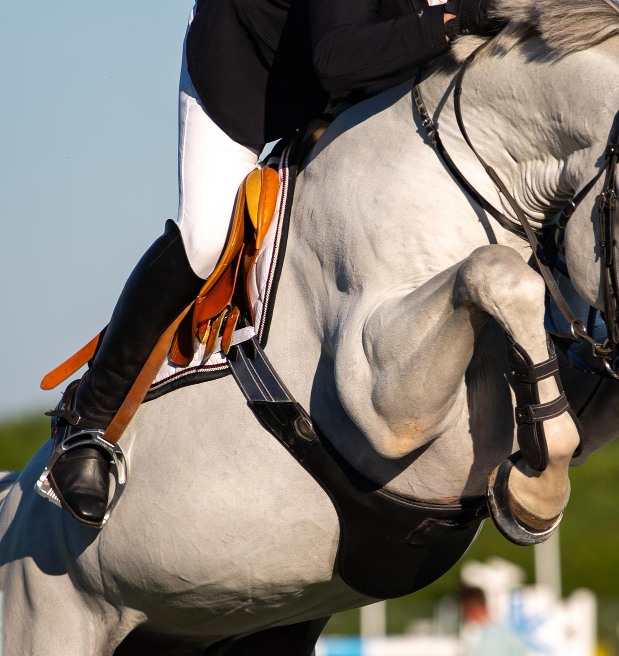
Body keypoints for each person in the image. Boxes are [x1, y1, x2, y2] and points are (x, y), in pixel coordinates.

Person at [42, 0, 502, 527]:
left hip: (367, 69)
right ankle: (89, 424)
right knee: (206, 242)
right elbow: (335, 57)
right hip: (250, 71)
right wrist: (457, 20)